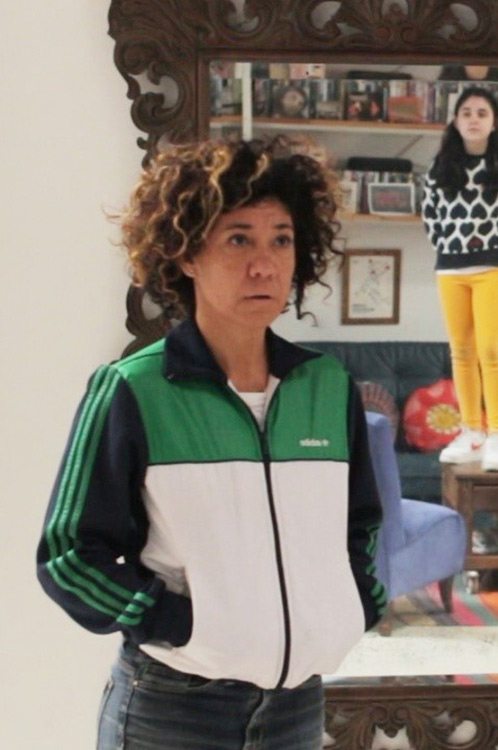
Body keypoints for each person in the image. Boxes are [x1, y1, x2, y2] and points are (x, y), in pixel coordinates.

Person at [37, 138, 386, 750]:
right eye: (238, 239)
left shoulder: (326, 387)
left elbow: (362, 525)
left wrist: (353, 604)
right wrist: (173, 621)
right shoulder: (134, 389)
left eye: (281, 239)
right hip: (173, 709)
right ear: (186, 254)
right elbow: (69, 554)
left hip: (296, 708)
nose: (265, 263)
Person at [421, 86, 498, 472]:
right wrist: (448, 246)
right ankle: (471, 431)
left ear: (493, 121)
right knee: (461, 351)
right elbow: (429, 214)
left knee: (489, 349)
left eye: (482, 112)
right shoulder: (440, 168)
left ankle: (497, 434)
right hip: (450, 268)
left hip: (490, 269)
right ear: (455, 120)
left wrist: (497, 250)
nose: (473, 118)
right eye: (466, 111)